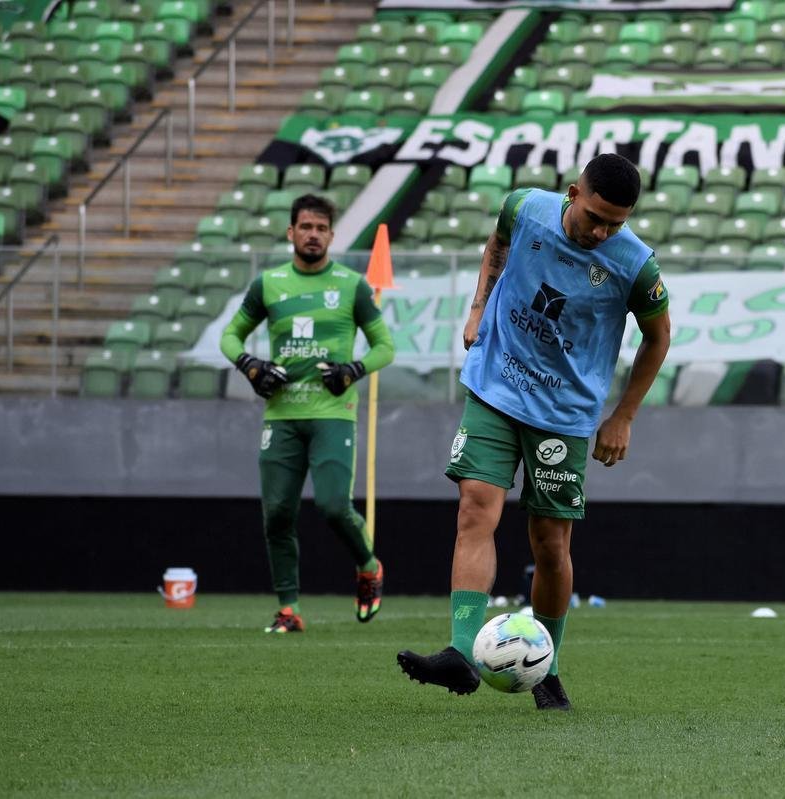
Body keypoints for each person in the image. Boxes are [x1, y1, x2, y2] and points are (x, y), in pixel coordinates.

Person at [397, 153, 671, 710]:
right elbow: (495, 248)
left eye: (615, 223)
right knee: (475, 508)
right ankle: (458, 651)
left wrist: (623, 416)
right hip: (496, 384)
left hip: (564, 414)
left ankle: (546, 667)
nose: (602, 231)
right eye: (595, 216)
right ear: (573, 192)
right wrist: (478, 308)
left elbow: (658, 337)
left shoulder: (635, 264)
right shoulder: (523, 208)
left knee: (550, 545)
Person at [220, 193, 396, 633]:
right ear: (291, 232)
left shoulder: (353, 286)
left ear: (332, 236)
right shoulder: (268, 284)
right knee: (277, 513)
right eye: (306, 227)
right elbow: (229, 337)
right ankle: (289, 609)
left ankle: (369, 566)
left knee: (335, 506)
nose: (313, 235)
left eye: (321, 228)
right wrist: (250, 366)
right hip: (281, 417)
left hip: (332, 414)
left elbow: (385, 348)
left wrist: (353, 370)